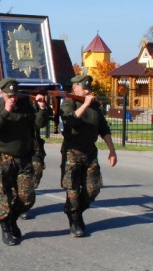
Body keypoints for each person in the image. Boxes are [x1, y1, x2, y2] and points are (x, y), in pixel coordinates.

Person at [0, 77, 48, 245]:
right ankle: (5, 227)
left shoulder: (25, 105)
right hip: (3, 157)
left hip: (24, 157)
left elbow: (39, 123)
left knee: (27, 196)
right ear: (2, 93)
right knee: (5, 195)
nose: (13, 98)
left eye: (15, 95)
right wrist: (6, 111)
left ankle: (12, 219)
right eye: (9, 95)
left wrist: (42, 108)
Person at [59, 74, 117, 237]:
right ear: (75, 87)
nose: (87, 91)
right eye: (84, 88)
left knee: (93, 188)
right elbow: (70, 120)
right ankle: (75, 219)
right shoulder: (68, 103)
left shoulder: (95, 106)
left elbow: (104, 129)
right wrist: (84, 104)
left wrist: (112, 150)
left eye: (89, 88)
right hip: (72, 151)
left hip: (90, 152)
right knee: (72, 188)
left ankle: (73, 209)